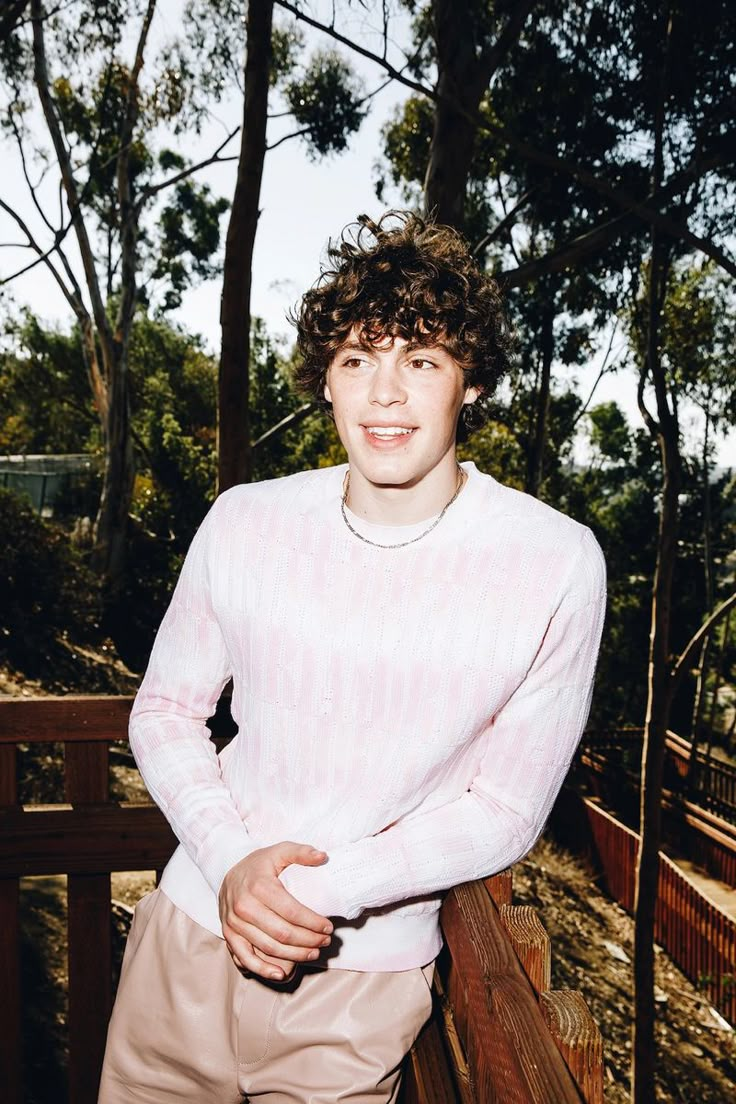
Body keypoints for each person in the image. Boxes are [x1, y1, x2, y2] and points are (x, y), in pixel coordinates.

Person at [98, 211, 606, 1103]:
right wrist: (228, 863)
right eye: (357, 359)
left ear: (471, 383)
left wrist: (323, 891)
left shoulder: (554, 563)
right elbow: (167, 710)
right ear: (325, 383)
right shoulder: (247, 520)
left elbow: (508, 807)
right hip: (186, 939)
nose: (385, 393)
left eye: (421, 360)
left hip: (362, 991)